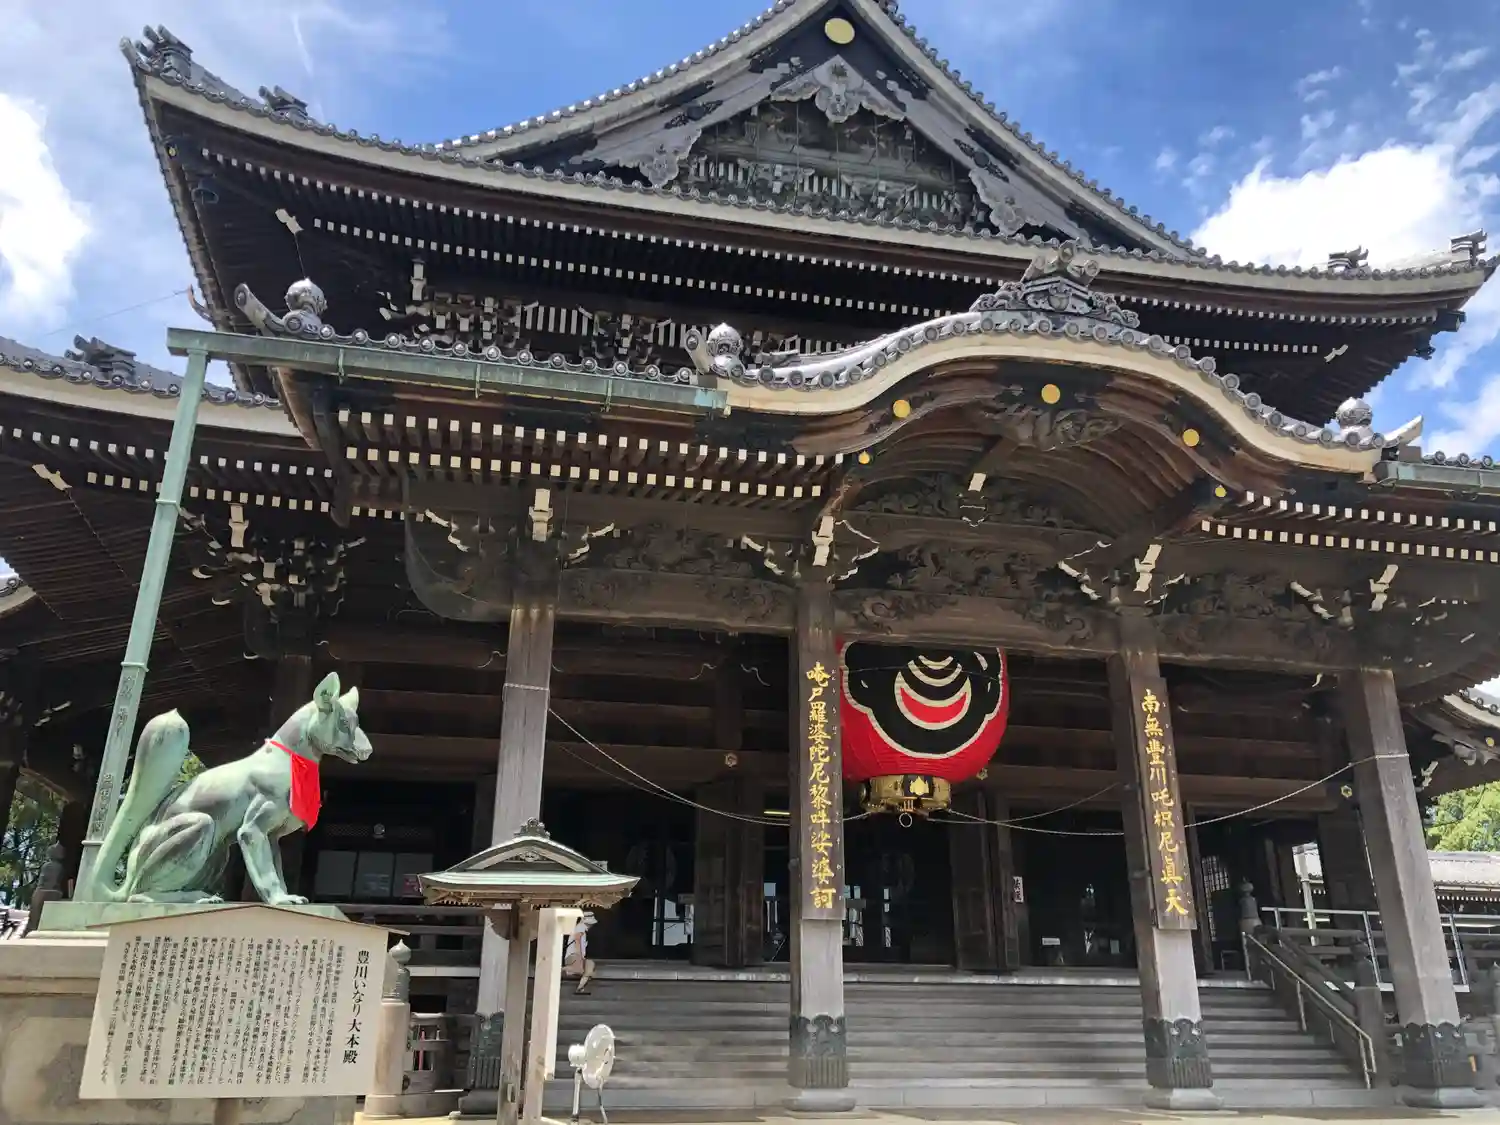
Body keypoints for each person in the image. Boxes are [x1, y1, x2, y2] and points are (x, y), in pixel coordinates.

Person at [562, 911, 597, 994]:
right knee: (579, 969)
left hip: (578, 955)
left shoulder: (582, 930)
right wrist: (579, 957)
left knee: (590, 965)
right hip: (574, 955)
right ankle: (558, 970)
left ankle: (580, 987)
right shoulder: (580, 928)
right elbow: (577, 943)